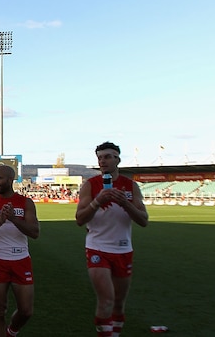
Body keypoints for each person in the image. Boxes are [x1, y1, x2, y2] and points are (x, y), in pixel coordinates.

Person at [75, 142, 148, 337]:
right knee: (106, 299)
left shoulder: (130, 186)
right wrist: (98, 201)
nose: (103, 161)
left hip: (123, 249)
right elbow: (80, 219)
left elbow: (143, 220)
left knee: (118, 303)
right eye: (100, 158)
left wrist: (125, 203)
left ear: (118, 159)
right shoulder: (90, 185)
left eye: (107, 157)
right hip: (97, 248)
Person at [0, 164, 40, 337]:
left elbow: (35, 232)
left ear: (11, 180)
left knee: (26, 311)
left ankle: (11, 331)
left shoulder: (25, 202)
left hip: (21, 260)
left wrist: (13, 219)